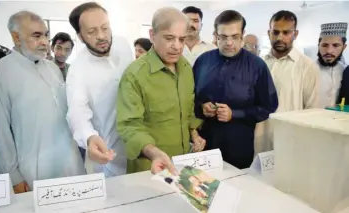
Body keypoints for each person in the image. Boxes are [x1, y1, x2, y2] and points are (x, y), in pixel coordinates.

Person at [0, 11, 85, 193]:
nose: (45, 42)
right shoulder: (1, 72)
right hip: (33, 169)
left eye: (46, 34)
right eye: (36, 36)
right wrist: (13, 177)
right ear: (16, 37)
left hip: (70, 161)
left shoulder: (52, 67)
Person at [117, 7, 206, 174]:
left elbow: (188, 110)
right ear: (152, 35)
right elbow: (129, 126)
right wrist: (154, 153)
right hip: (150, 168)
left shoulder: (186, 68)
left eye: (182, 39)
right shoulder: (134, 75)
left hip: (182, 164)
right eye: (169, 38)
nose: (177, 46)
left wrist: (194, 133)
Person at [193, 10, 278, 169]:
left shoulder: (257, 66)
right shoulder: (203, 62)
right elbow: (189, 98)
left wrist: (235, 114)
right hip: (204, 146)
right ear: (216, 35)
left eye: (235, 36)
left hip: (239, 148)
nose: (229, 43)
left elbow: (268, 107)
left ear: (243, 35)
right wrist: (201, 108)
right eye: (223, 37)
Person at [66, 2, 133, 177]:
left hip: (138, 144)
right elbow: (77, 111)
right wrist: (89, 137)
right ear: (80, 37)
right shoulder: (77, 70)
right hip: (108, 155)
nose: (102, 36)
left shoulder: (123, 45)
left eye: (105, 28)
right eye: (92, 32)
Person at [263, 10, 320, 112]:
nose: (280, 37)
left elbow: (312, 110)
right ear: (269, 33)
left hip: (289, 128)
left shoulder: (307, 66)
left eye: (286, 32)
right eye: (275, 32)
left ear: (295, 34)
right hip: (260, 127)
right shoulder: (260, 63)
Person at [317, 22, 347, 107]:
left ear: (344, 47)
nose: (329, 51)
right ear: (318, 45)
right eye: (325, 45)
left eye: (335, 45)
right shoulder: (307, 69)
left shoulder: (345, 71)